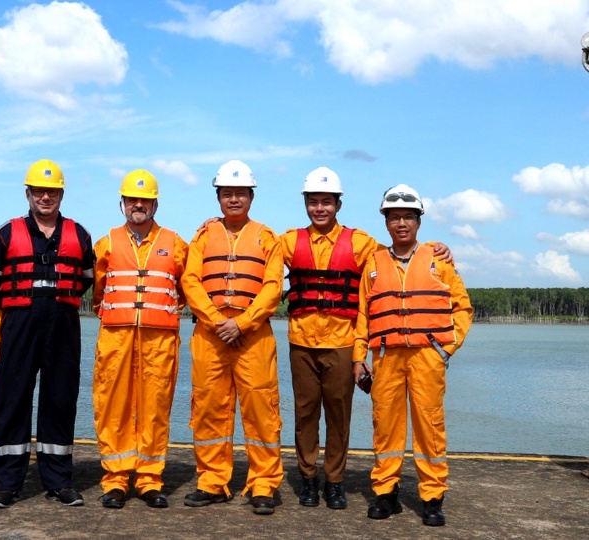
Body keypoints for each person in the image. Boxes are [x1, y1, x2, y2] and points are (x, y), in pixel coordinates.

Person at [280, 167, 453, 510]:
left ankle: (334, 482)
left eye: (326, 202)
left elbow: (398, 253)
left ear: (338, 204)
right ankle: (308, 479)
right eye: (313, 201)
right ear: (305, 204)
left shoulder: (361, 243)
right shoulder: (287, 241)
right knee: (305, 415)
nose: (319, 208)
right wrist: (217, 222)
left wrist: (435, 247)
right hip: (302, 340)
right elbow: (259, 253)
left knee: (339, 417)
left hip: (343, 342)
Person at [353, 184, 472, 527]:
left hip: (427, 357)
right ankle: (385, 493)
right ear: (386, 222)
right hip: (386, 357)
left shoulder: (439, 260)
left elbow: (463, 309)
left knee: (429, 426)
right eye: (394, 217)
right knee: (385, 426)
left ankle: (432, 497)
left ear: (419, 221)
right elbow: (363, 316)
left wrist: (445, 348)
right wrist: (358, 357)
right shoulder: (374, 264)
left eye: (408, 217)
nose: (401, 223)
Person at [0, 159, 94, 509]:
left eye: (52, 191)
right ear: (28, 194)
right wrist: (18, 305)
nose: (46, 197)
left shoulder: (80, 234)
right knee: (12, 397)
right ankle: (6, 482)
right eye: (39, 191)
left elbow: (85, 279)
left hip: (63, 322)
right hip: (20, 321)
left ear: (61, 195)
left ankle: (59, 480)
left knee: (60, 399)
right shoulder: (6, 233)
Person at [181, 160, 284, 516]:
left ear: (251, 196)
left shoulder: (267, 237)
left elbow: (273, 287)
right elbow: (190, 281)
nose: (234, 199)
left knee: (261, 410)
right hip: (210, 335)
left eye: (241, 193)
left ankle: (264, 484)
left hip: (253, 336)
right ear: (218, 197)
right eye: (228, 193)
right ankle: (211, 481)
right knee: (209, 407)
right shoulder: (203, 236)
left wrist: (242, 323)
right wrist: (216, 321)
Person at [91, 170, 188, 510]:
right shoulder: (106, 242)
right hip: (116, 337)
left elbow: (186, 288)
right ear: (122, 203)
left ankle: (149, 479)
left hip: (159, 340)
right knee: (112, 406)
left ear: (155, 204)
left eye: (144, 200)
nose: (138, 205)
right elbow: (98, 290)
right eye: (132, 199)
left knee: (155, 409)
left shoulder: (176, 243)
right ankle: (116, 479)